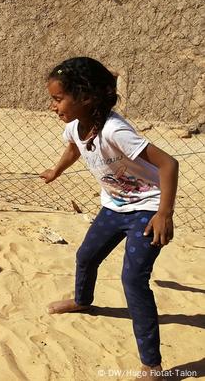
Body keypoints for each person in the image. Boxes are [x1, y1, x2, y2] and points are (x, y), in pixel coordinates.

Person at [40, 57, 178, 378]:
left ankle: (151, 364)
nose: (52, 106)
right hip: (115, 205)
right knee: (86, 256)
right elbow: (74, 148)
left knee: (133, 280)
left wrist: (163, 214)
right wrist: (56, 170)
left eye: (58, 99)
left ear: (85, 97)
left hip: (147, 208)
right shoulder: (75, 127)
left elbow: (169, 164)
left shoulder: (116, 130)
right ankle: (82, 300)